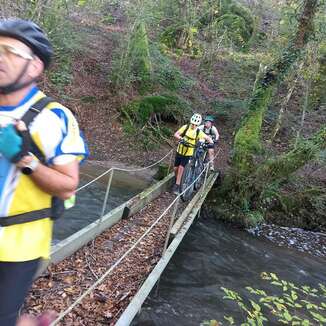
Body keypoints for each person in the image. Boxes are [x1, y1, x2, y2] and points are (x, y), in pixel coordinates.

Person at [0, 19, 88, 326]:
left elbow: (67, 187)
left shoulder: (53, 117)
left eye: (10, 51)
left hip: (18, 241)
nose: (0, 57)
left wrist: (23, 158)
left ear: (35, 66)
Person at [172, 113, 213, 195]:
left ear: (198, 125)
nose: (194, 126)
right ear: (191, 122)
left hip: (188, 153)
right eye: (193, 124)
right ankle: (177, 179)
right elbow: (176, 134)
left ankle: (177, 185)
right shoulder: (185, 127)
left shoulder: (198, 132)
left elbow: (208, 138)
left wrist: (211, 143)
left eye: (196, 125)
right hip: (180, 150)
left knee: (181, 168)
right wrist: (181, 138)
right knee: (175, 168)